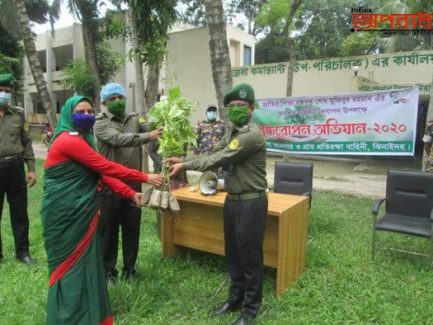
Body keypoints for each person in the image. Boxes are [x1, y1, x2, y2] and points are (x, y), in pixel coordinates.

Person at [41, 95, 163, 325]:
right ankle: (67, 316)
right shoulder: (68, 140)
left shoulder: (86, 140)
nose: (86, 115)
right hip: (65, 212)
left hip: (82, 211)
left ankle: (89, 313)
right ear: (68, 114)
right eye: (81, 111)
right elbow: (106, 166)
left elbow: (102, 175)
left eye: (89, 111)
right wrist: (145, 177)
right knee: (69, 265)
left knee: (87, 262)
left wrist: (130, 193)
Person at [168, 83, 268, 325]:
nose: (236, 110)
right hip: (232, 201)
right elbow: (212, 150)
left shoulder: (250, 136)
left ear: (252, 109)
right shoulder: (232, 133)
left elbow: (219, 158)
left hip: (251, 204)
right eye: (232, 106)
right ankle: (233, 300)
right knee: (232, 254)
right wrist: (184, 158)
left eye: (241, 106)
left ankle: (250, 310)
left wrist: (184, 166)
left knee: (250, 257)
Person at [94, 82, 163, 281]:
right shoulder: (101, 123)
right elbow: (119, 139)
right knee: (109, 230)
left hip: (133, 183)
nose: (117, 101)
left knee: (132, 227)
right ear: (105, 103)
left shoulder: (134, 118)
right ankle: (108, 272)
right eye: (112, 99)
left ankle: (130, 270)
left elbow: (150, 127)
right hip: (110, 184)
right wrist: (148, 135)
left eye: (120, 97)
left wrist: (162, 124)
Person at [0, 73, 37, 265]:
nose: (4, 94)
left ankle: (23, 253)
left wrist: (31, 167)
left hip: (16, 166)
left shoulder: (18, 114)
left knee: (20, 212)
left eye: (7, 91)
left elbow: (26, 141)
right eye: (1, 90)